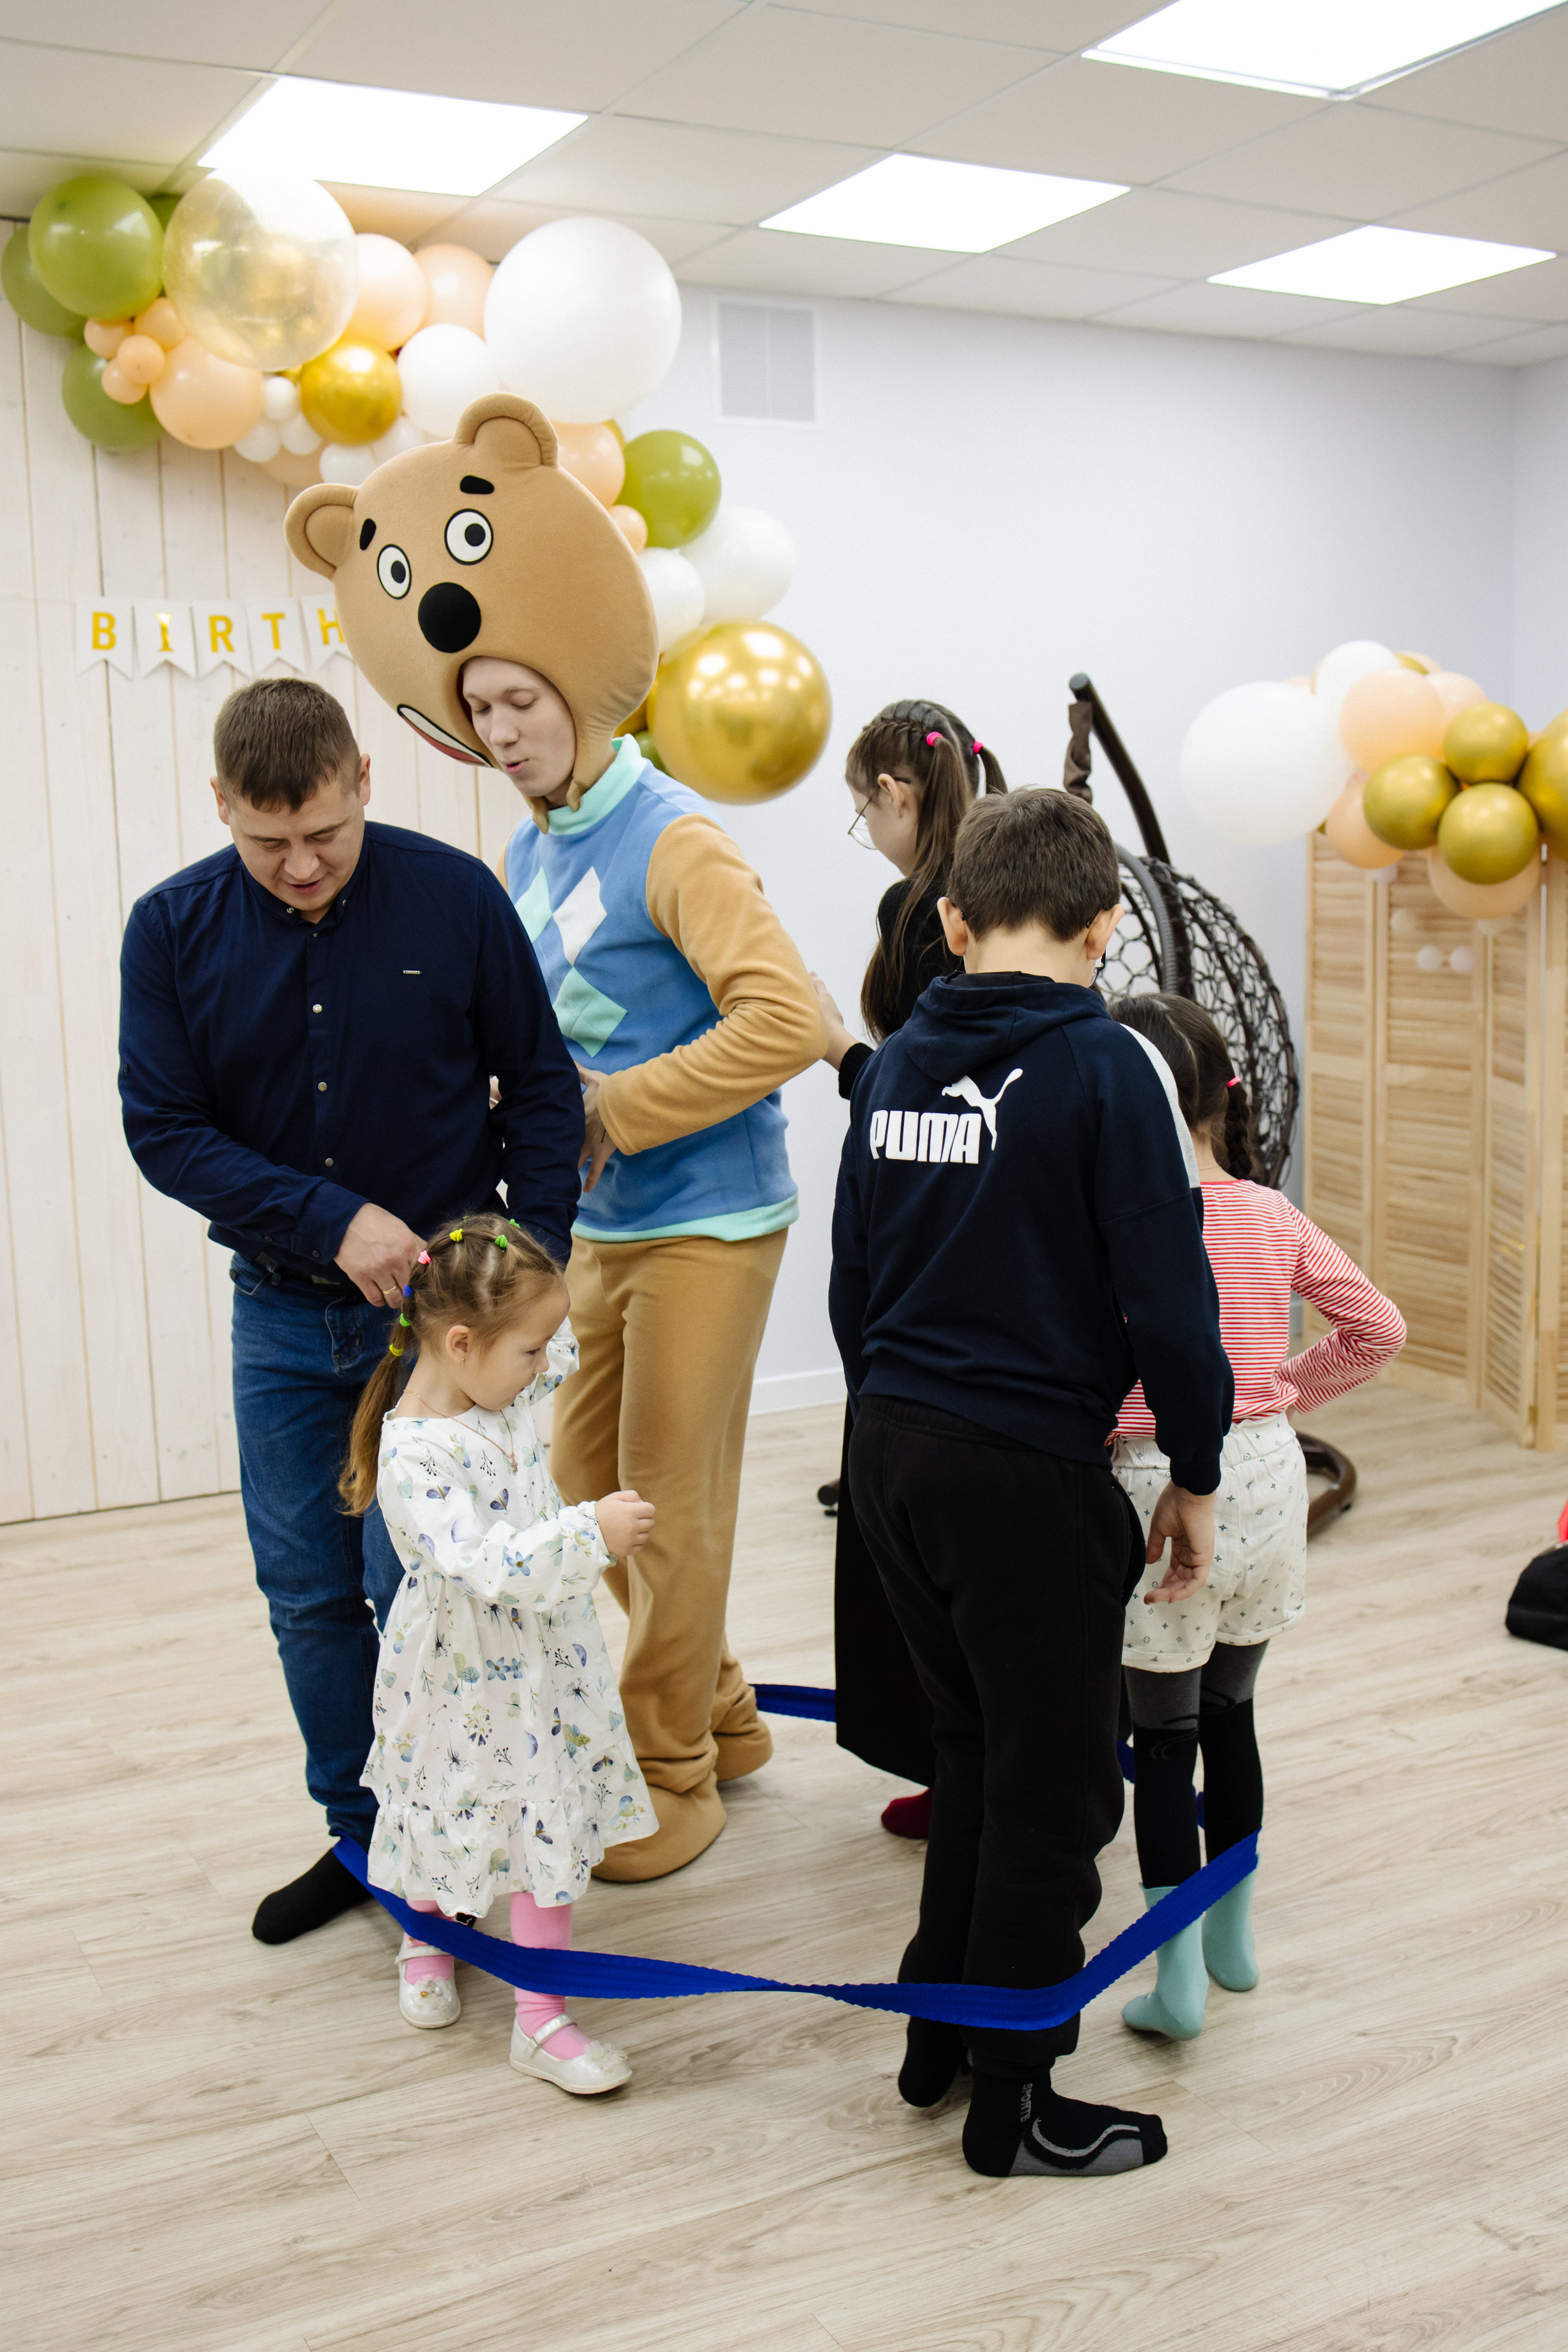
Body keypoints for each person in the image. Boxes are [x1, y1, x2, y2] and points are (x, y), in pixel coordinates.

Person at [287, 393, 826, 1883]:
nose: (499, 729)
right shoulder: (529, 848)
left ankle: (669, 1776)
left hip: (713, 1215)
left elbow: (790, 1018)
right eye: (478, 712)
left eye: (519, 700)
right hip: (594, 1237)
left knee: (664, 1500)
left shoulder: (672, 832)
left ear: (577, 685)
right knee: (579, 1496)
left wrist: (607, 1111)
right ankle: (719, 1711)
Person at [118, 677, 583, 1947]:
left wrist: (516, 1270)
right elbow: (163, 1132)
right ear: (219, 806)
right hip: (280, 1314)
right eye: (266, 843)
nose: (301, 863)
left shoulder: (455, 898)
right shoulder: (169, 933)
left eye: (322, 830)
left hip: (439, 1334)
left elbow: (540, 1089)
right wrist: (329, 1218)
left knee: (428, 1591)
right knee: (308, 1595)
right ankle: (363, 1835)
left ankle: (452, 1837)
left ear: (363, 779)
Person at [830, 786, 1234, 2179]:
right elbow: (1167, 1298)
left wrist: (895, 1423)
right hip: (1020, 1472)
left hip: (888, 1448)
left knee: (971, 1753)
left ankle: (936, 2041)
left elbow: (853, 1283)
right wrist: (1193, 1463)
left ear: (948, 918)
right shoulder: (1107, 1066)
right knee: (1056, 1796)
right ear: (1106, 925)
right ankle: (1017, 2104)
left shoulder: (888, 1065)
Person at [1108, 992, 1405, 2041]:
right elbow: (1377, 1328)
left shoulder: (1119, 1222)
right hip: (1273, 1478)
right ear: (1223, 1097)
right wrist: (1277, 1388)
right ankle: (1234, 1942)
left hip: (1157, 1486)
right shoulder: (1271, 1213)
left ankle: (1176, 1980)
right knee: (1232, 1718)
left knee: (1162, 1735)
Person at [340, 1212, 655, 2095]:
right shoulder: (415, 1454)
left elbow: (553, 1346)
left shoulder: (500, 1385)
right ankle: (428, 1937)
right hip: (461, 1672)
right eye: (527, 1349)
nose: (543, 1364)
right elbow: (487, 1564)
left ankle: (541, 2018)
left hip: (542, 1663)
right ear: (460, 1342)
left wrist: (542, 1283)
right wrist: (591, 1530)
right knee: (447, 1802)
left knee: (541, 1813)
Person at [810, 700, 1007, 1838]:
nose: (867, 829)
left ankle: (959, 1765)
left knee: (910, 1522)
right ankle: (983, 1758)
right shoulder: (988, 907)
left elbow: (912, 1104)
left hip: (917, 1235)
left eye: (861, 810)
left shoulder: (918, 913)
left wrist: (838, 1044)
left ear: (896, 790)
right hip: (981, 1236)